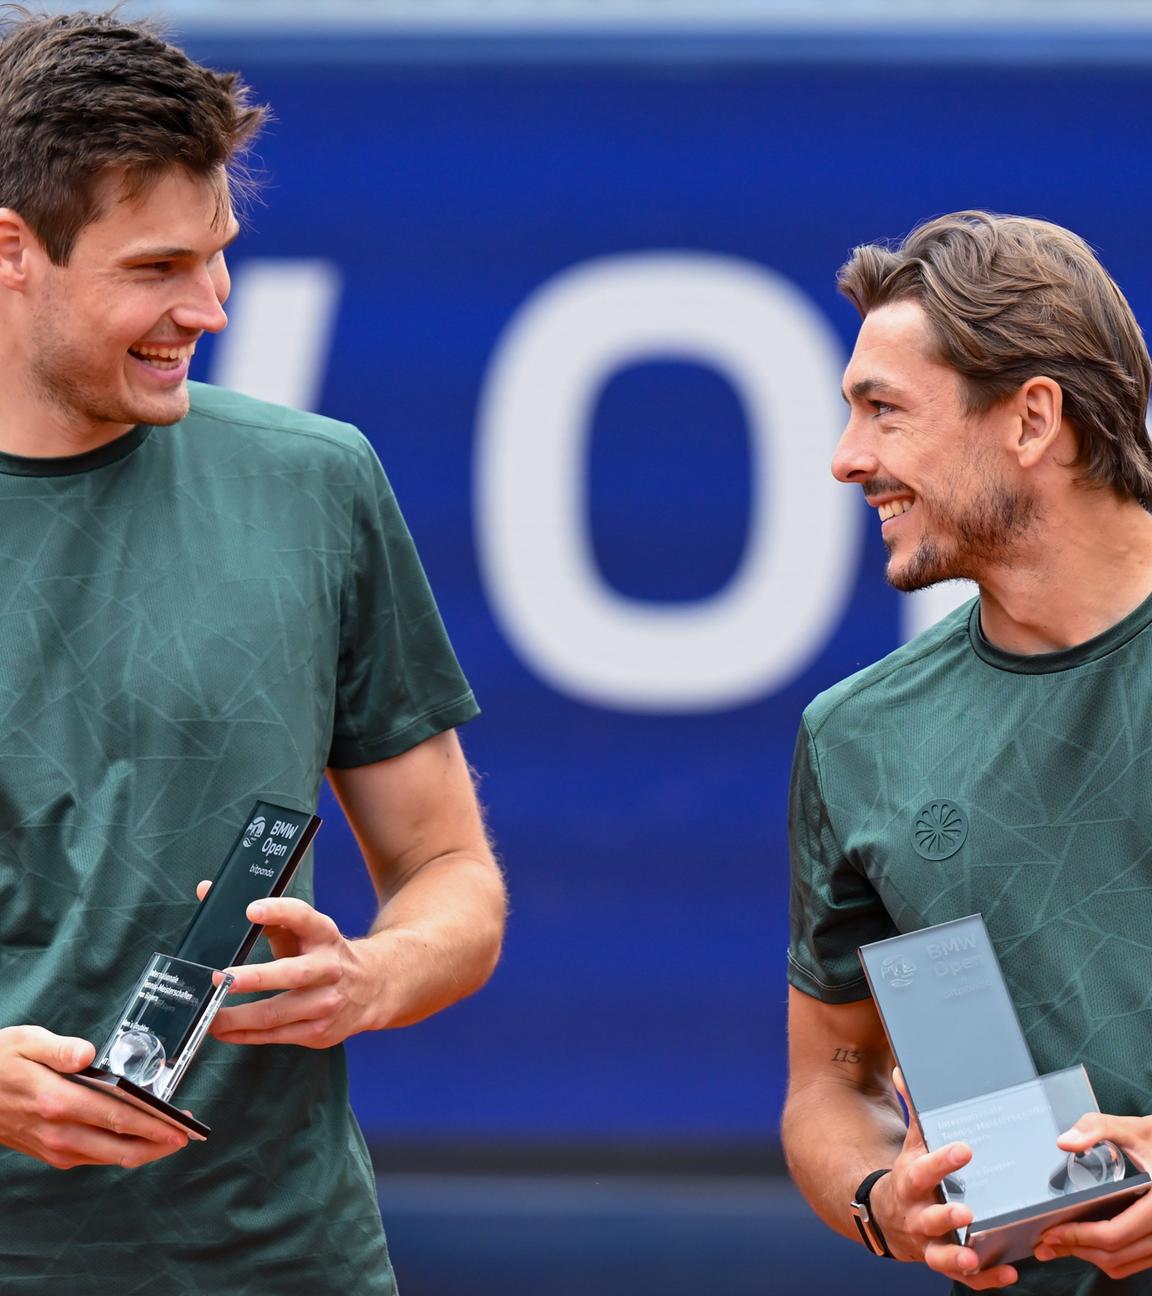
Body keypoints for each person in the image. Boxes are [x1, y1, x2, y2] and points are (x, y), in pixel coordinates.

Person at [0, 10, 505, 1293]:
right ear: (13, 252)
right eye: (158, 268)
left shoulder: (317, 483)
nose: (211, 307)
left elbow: (452, 875)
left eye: (220, 256)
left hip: (288, 1264)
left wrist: (375, 975)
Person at [782, 209, 1152, 1294]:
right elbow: (830, 1083)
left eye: (884, 412)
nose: (848, 460)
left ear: (1033, 419)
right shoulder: (856, 737)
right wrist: (879, 1200)